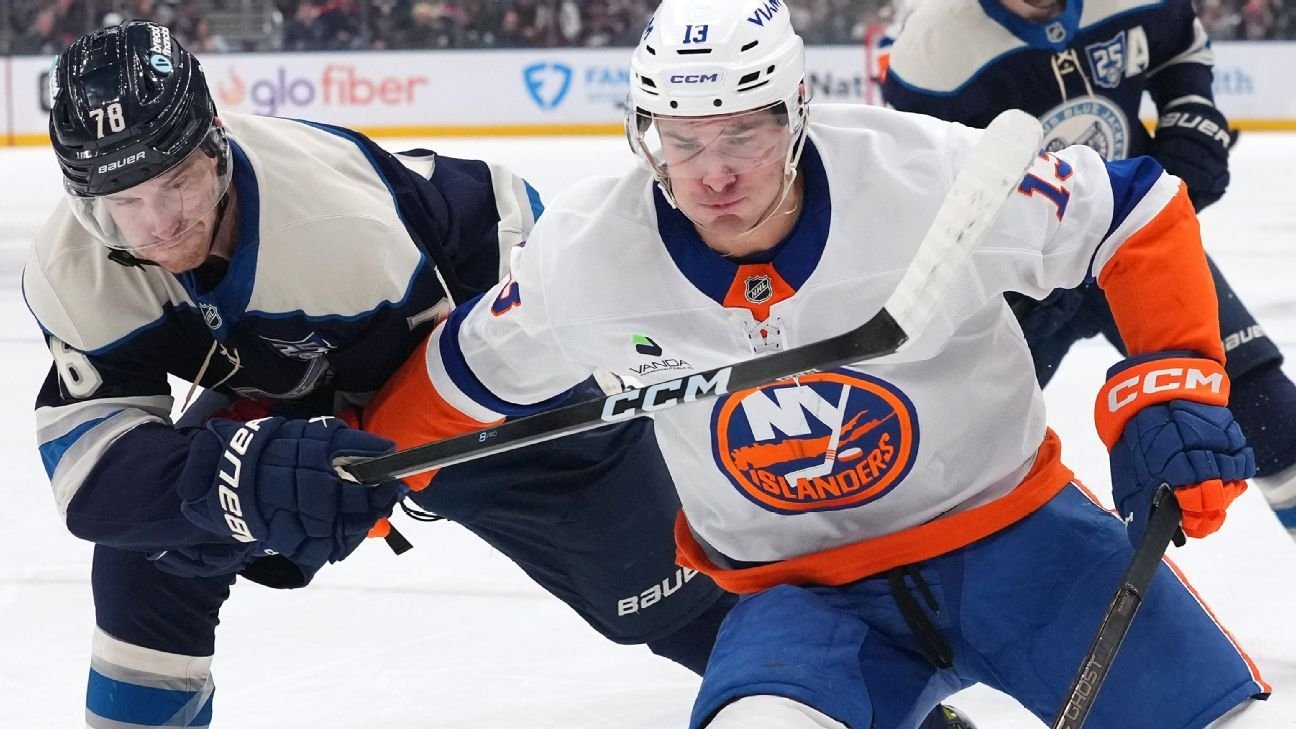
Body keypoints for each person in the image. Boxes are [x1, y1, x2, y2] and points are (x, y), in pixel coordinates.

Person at [357, 0, 1282, 726]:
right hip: (801, 598)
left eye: (742, 135)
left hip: (1025, 548)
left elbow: (1134, 211)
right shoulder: (586, 257)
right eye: (682, 140)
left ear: (797, 112)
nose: (712, 174)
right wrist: (358, 472)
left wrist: (1175, 380)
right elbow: (460, 379)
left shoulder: (924, 172)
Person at [27, 21, 733, 729]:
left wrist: (329, 469)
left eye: (176, 184)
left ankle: (789, 679)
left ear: (216, 148)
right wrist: (238, 481)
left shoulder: (332, 229)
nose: (159, 226)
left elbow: (455, 372)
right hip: (296, 361)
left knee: (655, 592)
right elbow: (92, 471)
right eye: (123, 204)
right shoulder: (73, 266)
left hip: (486, 323)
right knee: (157, 541)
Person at [881, 0, 1296, 539]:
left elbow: (1181, 46)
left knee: (1271, 417)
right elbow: (923, 192)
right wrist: (1001, 256)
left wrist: (1190, 113)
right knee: (942, 470)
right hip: (1019, 282)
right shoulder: (933, 49)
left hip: (1135, 239)